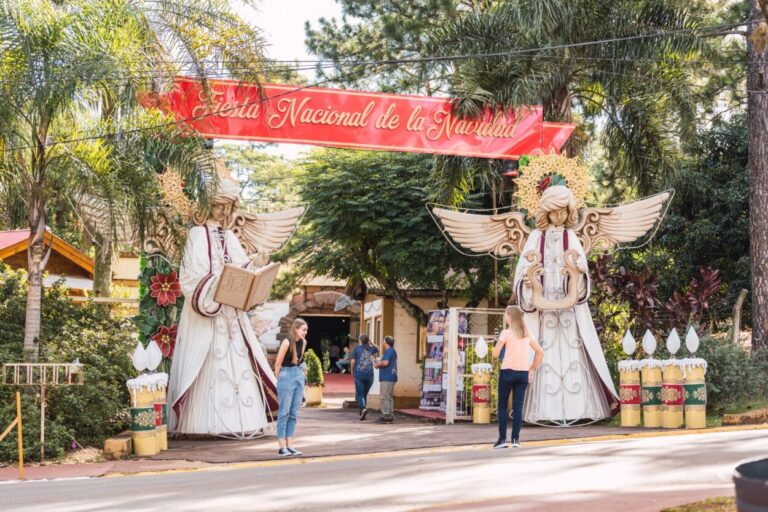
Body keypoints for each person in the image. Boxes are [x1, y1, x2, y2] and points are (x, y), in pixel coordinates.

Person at [167, 174, 277, 437]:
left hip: (230, 315)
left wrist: (256, 264)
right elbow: (191, 277)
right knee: (209, 364)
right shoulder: (196, 234)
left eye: (227, 206)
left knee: (239, 361)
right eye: (219, 205)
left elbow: (241, 267)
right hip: (207, 313)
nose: (224, 211)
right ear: (207, 205)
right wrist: (219, 281)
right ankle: (202, 424)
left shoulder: (228, 235)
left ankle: (244, 421)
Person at [514, 185, 619, 425]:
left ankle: (577, 409)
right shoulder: (534, 238)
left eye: (564, 211)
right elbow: (521, 272)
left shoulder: (570, 236)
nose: (560, 216)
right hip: (543, 311)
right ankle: (543, 412)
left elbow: (582, 269)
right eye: (555, 211)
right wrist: (530, 281)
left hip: (568, 311)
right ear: (546, 211)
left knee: (572, 353)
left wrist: (579, 274)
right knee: (545, 354)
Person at [492, 305, 544, 449]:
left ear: (510, 316)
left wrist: (499, 347)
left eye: (505, 314)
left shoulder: (505, 333)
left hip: (507, 371)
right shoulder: (527, 333)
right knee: (518, 407)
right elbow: (540, 352)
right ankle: (516, 440)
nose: (504, 317)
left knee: (502, 406)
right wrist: (532, 368)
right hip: (523, 373)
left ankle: (502, 440)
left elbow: (495, 354)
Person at [274, 318, 308, 457]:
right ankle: (282, 447)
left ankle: (290, 445)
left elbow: (300, 361)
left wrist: (303, 375)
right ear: (296, 329)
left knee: (294, 413)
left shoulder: (304, 342)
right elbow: (277, 364)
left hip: (298, 374)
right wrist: (279, 380)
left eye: (306, 330)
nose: (305, 333)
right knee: (284, 412)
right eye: (303, 330)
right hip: (286, 375)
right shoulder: (287, 342)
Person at [350, 334, 378, 421]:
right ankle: (362, 409)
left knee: (360, 394)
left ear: (360, 340)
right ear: (367, 340)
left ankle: (363, 409)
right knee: (364, 394)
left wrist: (351, 370)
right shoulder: (371, 348)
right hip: (369, 375)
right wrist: (371, 342)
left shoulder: (357, 348)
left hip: (359, 374)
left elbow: (353, 361)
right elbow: (378, 348)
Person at [375, 336, 398, 423]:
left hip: (387, 376)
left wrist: (377, 364)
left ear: (386, 342)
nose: (383, 342)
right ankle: (389, 415)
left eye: (383, 341)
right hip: (390, 376)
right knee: (389, 396)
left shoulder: (389, 351)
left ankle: (386, 415)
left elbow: (385, 363)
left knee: (384, 396)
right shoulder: (391, 351)